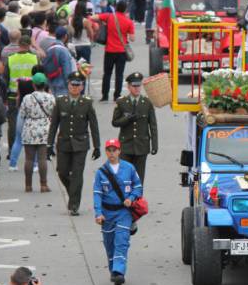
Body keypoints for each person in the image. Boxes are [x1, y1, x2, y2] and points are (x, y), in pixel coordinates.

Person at [48, 72, 100, 216]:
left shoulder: (87, 103)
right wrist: (49, 144)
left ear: (82, 87)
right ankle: (73, 192)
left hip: (80, 143)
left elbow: (94, 125)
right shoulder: (60, 101)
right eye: (72, 84)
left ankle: (74, 204)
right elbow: (54, 124)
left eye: (78, 85)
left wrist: (97, 146)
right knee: (62, 172)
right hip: (64, 142)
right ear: (68, 85)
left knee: (77, 174)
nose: (75, 87)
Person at [93, 138, 143, 285]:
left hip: (123, 213)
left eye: (114, 150)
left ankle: (119, 272)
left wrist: (131, 198)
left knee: (121, 241)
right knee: (109, 244)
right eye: (109, 150)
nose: (112, 153)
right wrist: (98, 213)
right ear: (106, 152)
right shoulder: (101, 172)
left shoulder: (129, 168)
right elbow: (97, 194)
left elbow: (138, 187)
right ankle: (113, 270)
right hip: (107, 214)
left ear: (119, 151)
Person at [112, 72, 158, 184]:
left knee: (138, 178)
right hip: (126, 145)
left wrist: (154, 144)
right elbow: (115, 122)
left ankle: (137, 195)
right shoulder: (121, 102)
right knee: (125, 177)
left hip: (142, 145)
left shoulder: (147, 102)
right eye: (134, 86)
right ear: (128, 86)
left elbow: (153, 125)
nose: (137, 88)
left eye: (139, 85)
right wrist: (126, 119)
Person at [19, 73, 55, 192]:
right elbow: (54, 113)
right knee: (42, 159)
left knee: (29, 159)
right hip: (44, 129)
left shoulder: (27, 98)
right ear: (45, 84)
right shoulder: (50, 97)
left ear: (33, 84)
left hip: (29, 129)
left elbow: (22, 114)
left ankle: (28, 185)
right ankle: (43, 185)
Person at [4, 36, 38, 155]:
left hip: (14, 95)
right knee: (33, 122)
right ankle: (33, 150)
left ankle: (11, 151)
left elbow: (5, 78)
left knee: (13, 124)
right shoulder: (35, 58)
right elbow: (39, 76)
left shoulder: (11, 59)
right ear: (29, 45)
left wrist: (4, 97)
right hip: (32, 95)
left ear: (18, 44)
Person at [97, 1, 134, 102]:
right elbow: (132, 38)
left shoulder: (109, 16)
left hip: (109, 50)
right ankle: (117, 95)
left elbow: (94, 17)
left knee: (107, 73)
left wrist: (103, 24)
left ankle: (105, 95)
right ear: (125, 10)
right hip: (121, 51)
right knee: (119, 74)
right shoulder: (128, 22)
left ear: (116, 7)